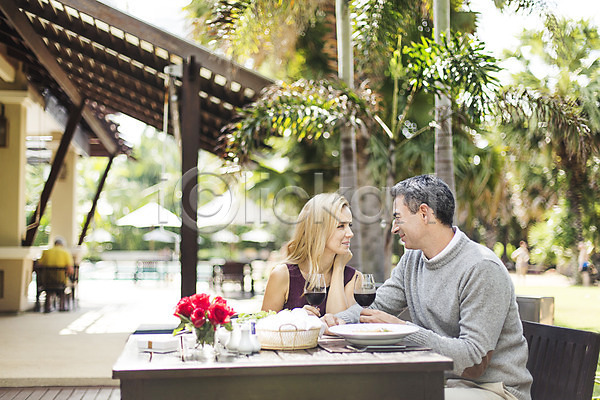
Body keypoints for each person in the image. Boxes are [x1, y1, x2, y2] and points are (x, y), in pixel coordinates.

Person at [323, 175, 532, 400]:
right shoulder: (412, 260)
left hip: (493, 390)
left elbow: (474, 360)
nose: (394, 228)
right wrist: (339, 320)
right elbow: (378, 304)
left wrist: (404, 330)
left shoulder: (481, 267)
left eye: (398, 218)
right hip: (438, 380)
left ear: (424, 213)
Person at [261, 193, 358, 316]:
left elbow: (339, 325)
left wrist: (339, 268)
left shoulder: (352, 278)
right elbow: (264, 327)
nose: (350, 233)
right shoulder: (283, 275)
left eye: (349, 225)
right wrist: (295, 317)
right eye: (340, 226)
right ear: (318, 230)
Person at [38, 237, 75, 311]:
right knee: (66, 284)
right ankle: (62, 306)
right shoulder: (65, 253)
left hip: (47, 280)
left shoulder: (46, 252)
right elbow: (70, 270)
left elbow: (39, 265)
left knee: (49, 288)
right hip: (61, 281)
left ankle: (47, 307)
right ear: (62, 244)